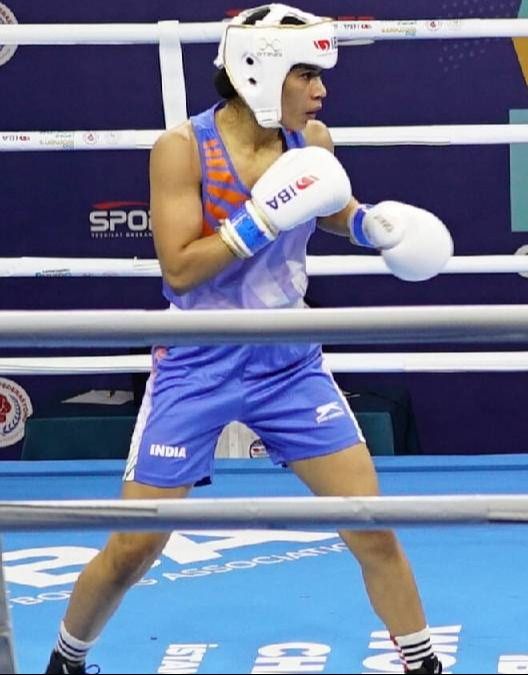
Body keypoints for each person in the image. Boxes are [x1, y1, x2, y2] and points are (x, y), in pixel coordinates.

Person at [44, 5, 452, 674]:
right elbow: (179, 266)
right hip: (197, 359)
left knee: (372, 524)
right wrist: (259, 219)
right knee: (132, 547)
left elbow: (325, 208)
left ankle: (424, 662)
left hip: (289, 362)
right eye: (307, 74)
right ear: (260, 72)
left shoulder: (311, 140)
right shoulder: (181, 149)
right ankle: (66, 658)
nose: (320, 90)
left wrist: (373, 226)